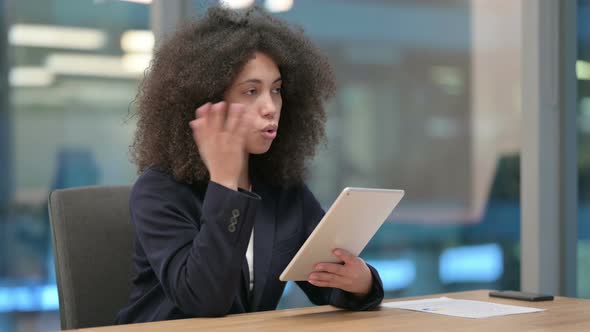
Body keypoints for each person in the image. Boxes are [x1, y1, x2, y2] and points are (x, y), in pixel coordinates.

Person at [116, 5, 384, 324]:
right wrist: (225, 183)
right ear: (208, 102)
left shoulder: (284, 190)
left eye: (276, 90)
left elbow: (325, 282)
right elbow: (205, 300)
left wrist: (362, 283)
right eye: (251, 91)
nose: (270, 107)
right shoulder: (159, 190)